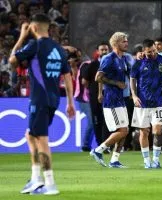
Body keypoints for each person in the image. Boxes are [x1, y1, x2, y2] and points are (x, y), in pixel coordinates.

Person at [9, 14, 75, 195]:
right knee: (30, 135)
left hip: (39, 100)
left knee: (42, 140)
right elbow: (68, 78)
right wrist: (70, 102)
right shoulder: (59, 50)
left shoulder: (34, 45)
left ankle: (50, 183)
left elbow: (12, 61)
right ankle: (36, 178)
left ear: (35, 28)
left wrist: (22, 37)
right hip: (54, 99)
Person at [90, 32, 129, 168]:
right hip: (112, 100)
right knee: (122, 130)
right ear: (116, 43)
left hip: (120, 99)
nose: (126, 43)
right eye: (124, 41)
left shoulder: (122, 58)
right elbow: (98, 77)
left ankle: (114, 160)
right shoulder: (109, 58)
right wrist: (115, 83)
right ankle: (98, 150)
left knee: (125, 130)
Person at [130, 39, 162, 168]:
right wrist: (134, 96)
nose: (152, 53)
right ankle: (146, 160)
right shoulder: (138, 63)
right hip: (142, 102)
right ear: (143, 51)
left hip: (158, 101)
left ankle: (156, 160)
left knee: (157, 131)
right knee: (144, 132)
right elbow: (132, 80)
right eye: (149, 52)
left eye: (153, 51)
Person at [82, 42, 110, 151]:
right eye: (102, 49)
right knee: (97, 121)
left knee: (107, 121)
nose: (104, 51)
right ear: (97, 51)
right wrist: (93, 90)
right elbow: (84, 81)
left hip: (109, 95)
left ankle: (106, 145)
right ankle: (100, 144)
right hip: (95, 98)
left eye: (105, 49)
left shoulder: (112, 63)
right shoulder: (92, 65)